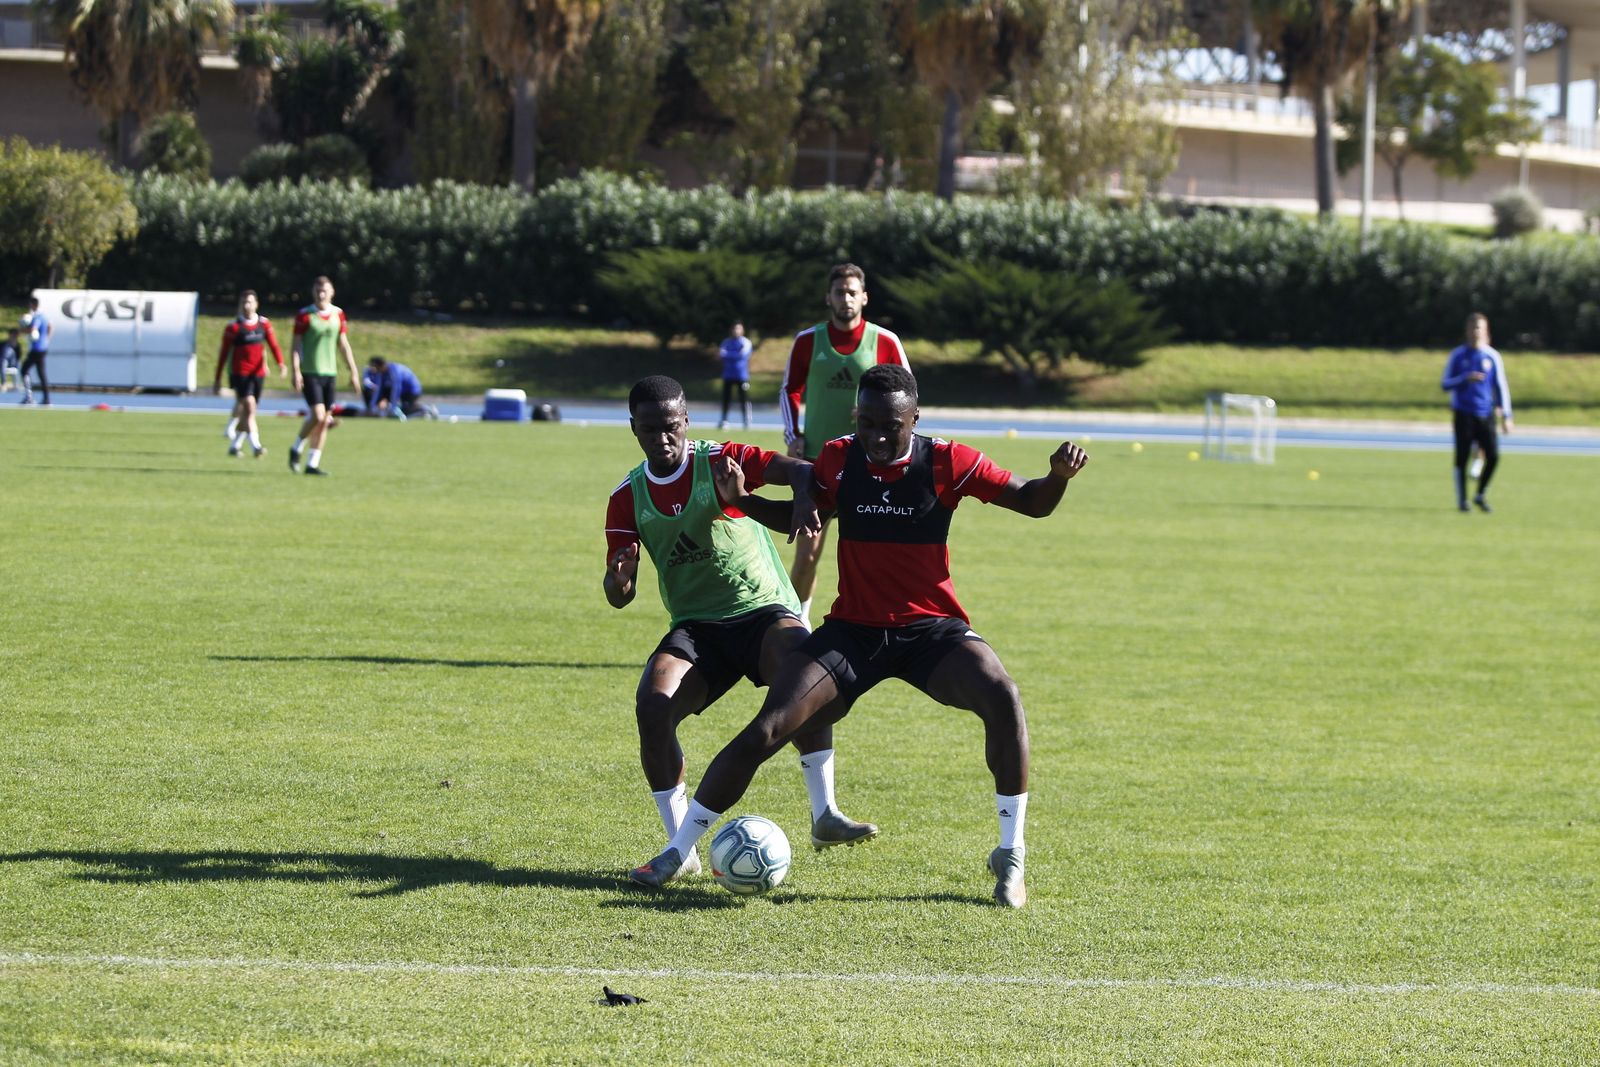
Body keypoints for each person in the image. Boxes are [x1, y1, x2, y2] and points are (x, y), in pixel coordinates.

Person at [630, 365, 1089, 908]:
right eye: (865, 422)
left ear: (914, 419)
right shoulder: (839, 458)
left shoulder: (948, 461)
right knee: (768, 727)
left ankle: (1010, 855)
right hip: (854, 633)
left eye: (889, 426)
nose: (875, 436)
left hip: (931, 630)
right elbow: (800, 516)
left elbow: (1031, 500)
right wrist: (745, 501)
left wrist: (1058, 476)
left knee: (1003, 696)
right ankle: (677, 850)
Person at [605, 375, 878, 879]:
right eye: (649, 429)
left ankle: (825, 813)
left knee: (803, 671)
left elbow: (800, 469)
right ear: (633, 429)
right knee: (653, 704)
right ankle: (680, 847)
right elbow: (620, 594)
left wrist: (803, 499)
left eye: (671, 426)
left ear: (686, 421)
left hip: (762, 611)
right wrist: (618, 580)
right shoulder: (628, 496)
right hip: (697, 628)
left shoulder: (720, 460)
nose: (663, 438)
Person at [780, 263, 909, 625]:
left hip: (869, 466)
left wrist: (880, 415)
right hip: (817, 465)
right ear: (829, 298)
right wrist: (793, 435)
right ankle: (798, 623)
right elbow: (789, 389)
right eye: (840, 292)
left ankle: (879, 622)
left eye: (853, 292)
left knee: (875, 557)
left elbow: (907, 394)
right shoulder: (808, 340)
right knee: (807, 554)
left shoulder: (885, 341)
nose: (846, 298)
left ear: (864, 297)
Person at [288, 276, 361, 476]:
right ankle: (296, 447)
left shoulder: (338, 314)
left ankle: (312, 464)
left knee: (324, 420)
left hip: (330, 373)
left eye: (325, 290)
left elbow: (343, 344)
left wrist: (353, 371)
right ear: (313, 292)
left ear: (332, 292)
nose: (321, 294)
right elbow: (296, 346)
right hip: (310, 372)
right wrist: (295, 370)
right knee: (318, 416)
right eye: (318, 290)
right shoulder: (305, 315)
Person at [1441, 312, 1512, 512]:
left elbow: (1501, 386)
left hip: (1486, 414)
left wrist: (1507, 415)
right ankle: (1462, 501)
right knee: (1462, 458)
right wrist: (1465, 378)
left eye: (1479, 327)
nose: (1475, 331)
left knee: (1493, 456)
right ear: (1467, 330)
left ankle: (1480, 494)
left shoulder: (1492, 356)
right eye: (1472, 327)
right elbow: (1445, 384)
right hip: (1463, 413)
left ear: (1485, 331)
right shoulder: (1458, 355)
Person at [213, 290, 287, 457]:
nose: (247, 306)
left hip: (258, 374)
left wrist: (281, 363)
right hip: (240, 373)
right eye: (244, 303)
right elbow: (223, 354)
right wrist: (217, 378)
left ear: (256, 304)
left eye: (250, 302)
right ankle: (256, 446)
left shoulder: (264, 324)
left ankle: (235, 446)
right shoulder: (233, 327)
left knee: (248, 412)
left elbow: (273, 345)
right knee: (250, 406)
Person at [364, 356, 433, 420]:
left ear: (381, 366)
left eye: (376, 368)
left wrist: (393, 407)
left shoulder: (394, 370)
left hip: (412, 390)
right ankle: (424, 411)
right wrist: (372, 405)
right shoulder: (381, 373)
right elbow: (379, 389)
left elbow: (396, 388)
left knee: (406, 410)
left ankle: (428, 410)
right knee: (405, 408)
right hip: (403, 392)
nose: (375, 371)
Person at [717, 321, 753, 431]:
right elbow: (722, 354)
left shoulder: (746, 342)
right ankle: (724, 420)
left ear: (742, 330)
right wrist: (734, 354)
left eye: (738, 328)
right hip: (728, 375)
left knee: (743, 399)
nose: (736, 331)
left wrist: (730, 354)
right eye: (734, 329)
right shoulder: (726, 342)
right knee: (726, 399)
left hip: (741, 375)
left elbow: (742, 355)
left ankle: (746, 420)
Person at [18, 296, 52, 406]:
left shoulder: (37, 317)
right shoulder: (44, 316)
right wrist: (47, 339)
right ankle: (46, 399)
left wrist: (22, 329)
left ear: (32, 305)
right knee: (41, 374)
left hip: (36, 349)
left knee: (24, 370)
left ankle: (29, 397)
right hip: (42, 348)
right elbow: (50, 326)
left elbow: (33, 329)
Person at [1, 327, 20, 392]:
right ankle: (4, 383)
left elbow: (18, 357)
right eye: (13, 335)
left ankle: (16, 385)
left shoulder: (17, 346)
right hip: (3, 361)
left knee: (17, 364)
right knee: (3, 362)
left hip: (13, 362)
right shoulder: (3, 344)